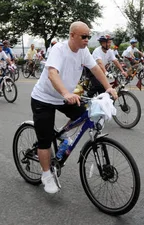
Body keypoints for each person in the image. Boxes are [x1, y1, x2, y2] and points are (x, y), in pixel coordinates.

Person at [30, 22, 118, 194]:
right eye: (83, 36)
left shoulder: (84, 51)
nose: (87, 40)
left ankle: (63, 135)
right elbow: (52, 73)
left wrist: (108, 87)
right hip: (44, 98)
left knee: (85, 114)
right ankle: (46, 175)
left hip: (64, 97)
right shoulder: (59, 50)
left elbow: (96, 69)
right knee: (45, 140)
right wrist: (65, 93)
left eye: (88, 36)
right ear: (72, 36)